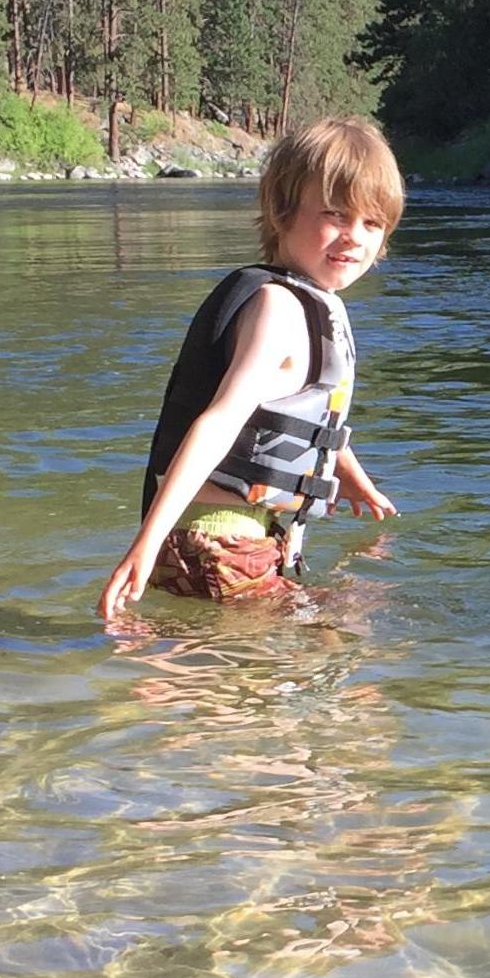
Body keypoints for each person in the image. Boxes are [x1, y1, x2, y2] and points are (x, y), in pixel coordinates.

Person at [99, 117, 404, 620]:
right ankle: (148, 679)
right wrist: (145, 543)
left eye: (372, 223)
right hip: (220, 543)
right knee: (347, 634)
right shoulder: (277, 308)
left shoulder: (311, 303)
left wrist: (350, 475)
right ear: (281, 212)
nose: (354, 237)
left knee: (306, 655)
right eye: (335, 214)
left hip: (231, 540)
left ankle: (157, 674)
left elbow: (299, 415)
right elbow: (221, 421)